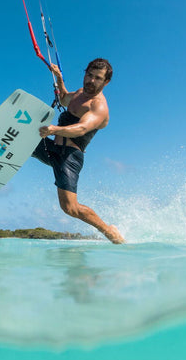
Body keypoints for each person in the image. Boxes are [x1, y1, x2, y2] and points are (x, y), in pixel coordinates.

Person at [32, 58, 125, 244]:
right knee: (25, 141)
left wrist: (54, 130)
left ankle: (109, 232)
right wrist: (59, 79)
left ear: (106, 82)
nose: (91, 80)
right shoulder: (80, 93)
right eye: (89, 75)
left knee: (70, 208)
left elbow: (81, 128)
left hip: (69, 158)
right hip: (53, 148)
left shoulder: (99, 106)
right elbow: (64, 99)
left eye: (98, 78)